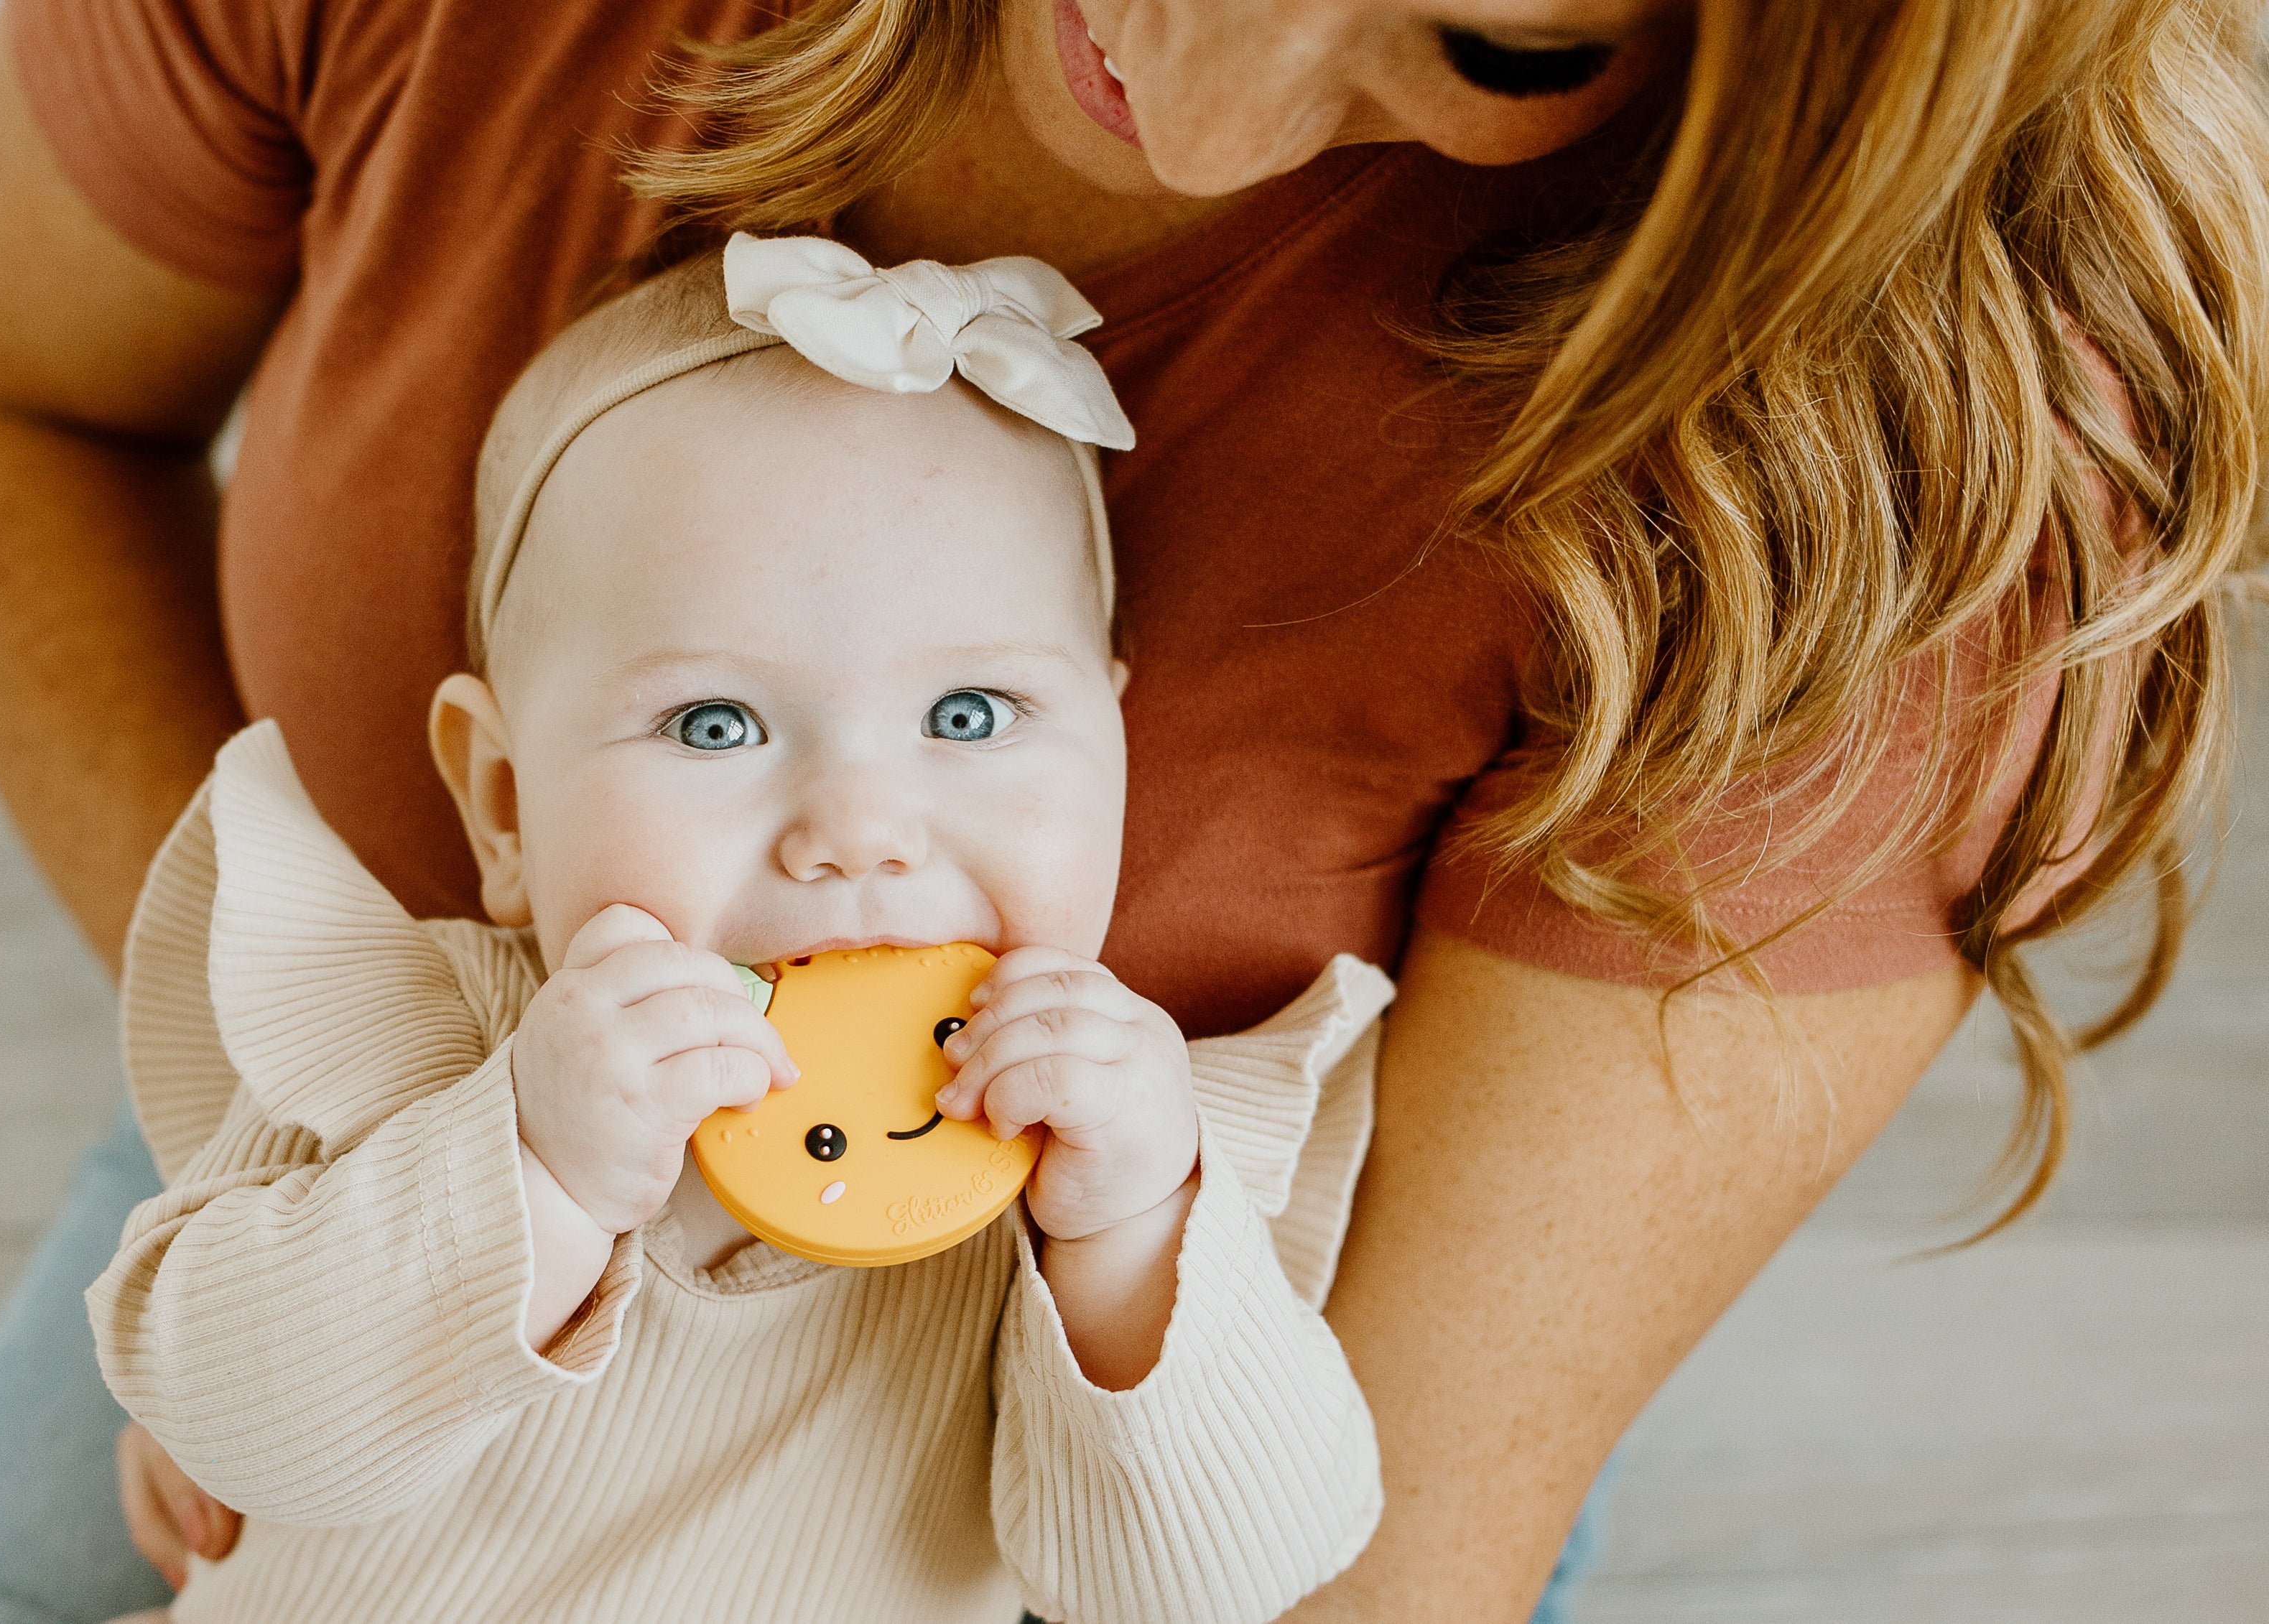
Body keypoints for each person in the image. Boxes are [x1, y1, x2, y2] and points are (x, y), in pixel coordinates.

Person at [0, 1, 2268, 1620]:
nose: (1208, 107)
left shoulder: (1215, 1136)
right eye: (712, 729)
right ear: (487, 793)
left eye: (1502, 35)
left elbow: (1301, 1562)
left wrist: (1146, 1280)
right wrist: (407, 1187)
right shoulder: (385, 1041)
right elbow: (228, 1378)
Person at [88, 237, 1387, 1623]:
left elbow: (1218, 1580)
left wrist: (1130, 1241)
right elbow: (230, 1421)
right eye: (718, 724)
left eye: (969, 716)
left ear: (1115, 743)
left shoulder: (1099, 1153)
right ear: (506, 803)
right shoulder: (420, 1038)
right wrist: (534, 1171)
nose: (860, 827)